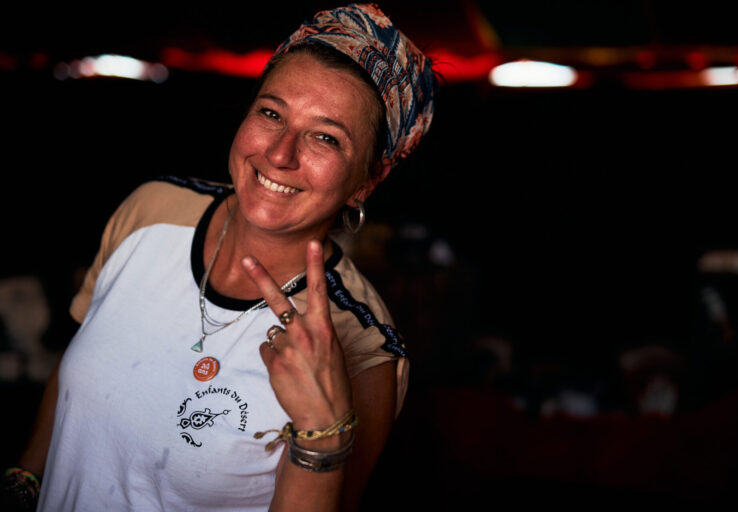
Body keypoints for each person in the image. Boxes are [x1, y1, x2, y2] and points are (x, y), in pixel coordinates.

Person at [2, 3, 436, 510]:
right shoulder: (151, 210)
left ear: (366, 180)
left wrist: (322, 434)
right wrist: (24, 480)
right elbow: (73, 373)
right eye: (271, 113)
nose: (280, 154)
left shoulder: (362, 349)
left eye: (325, 137)